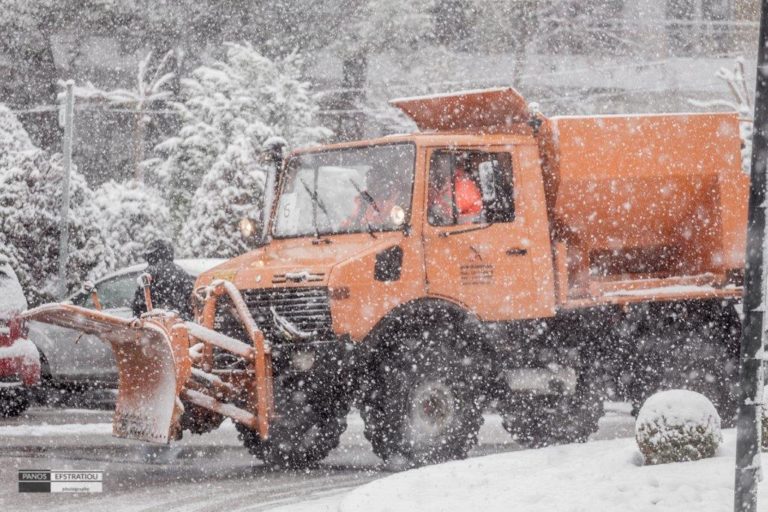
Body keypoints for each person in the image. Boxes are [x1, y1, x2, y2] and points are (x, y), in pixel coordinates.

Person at [131, 239, 195, 320]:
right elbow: (190, 303)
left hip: (156, 325)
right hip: (180, 325)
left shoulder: (150, 272)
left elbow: (139, 305)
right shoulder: (182, 273)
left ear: (152, 255)